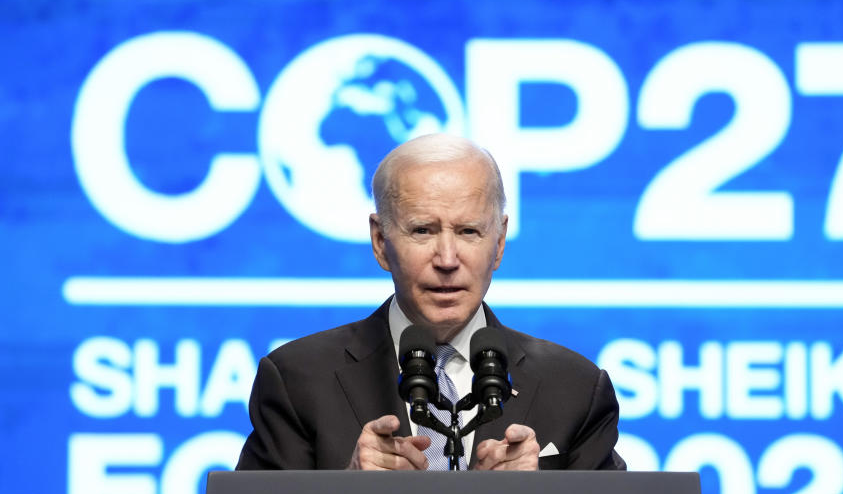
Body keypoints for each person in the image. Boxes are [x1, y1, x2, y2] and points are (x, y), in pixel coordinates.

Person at [236, 133, 624, 471]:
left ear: (500, 242)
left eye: (469, 231)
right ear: (380, 241)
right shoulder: (297, 381)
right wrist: (347, 489)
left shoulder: (576, 389)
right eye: (422, 230)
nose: (448, 259)